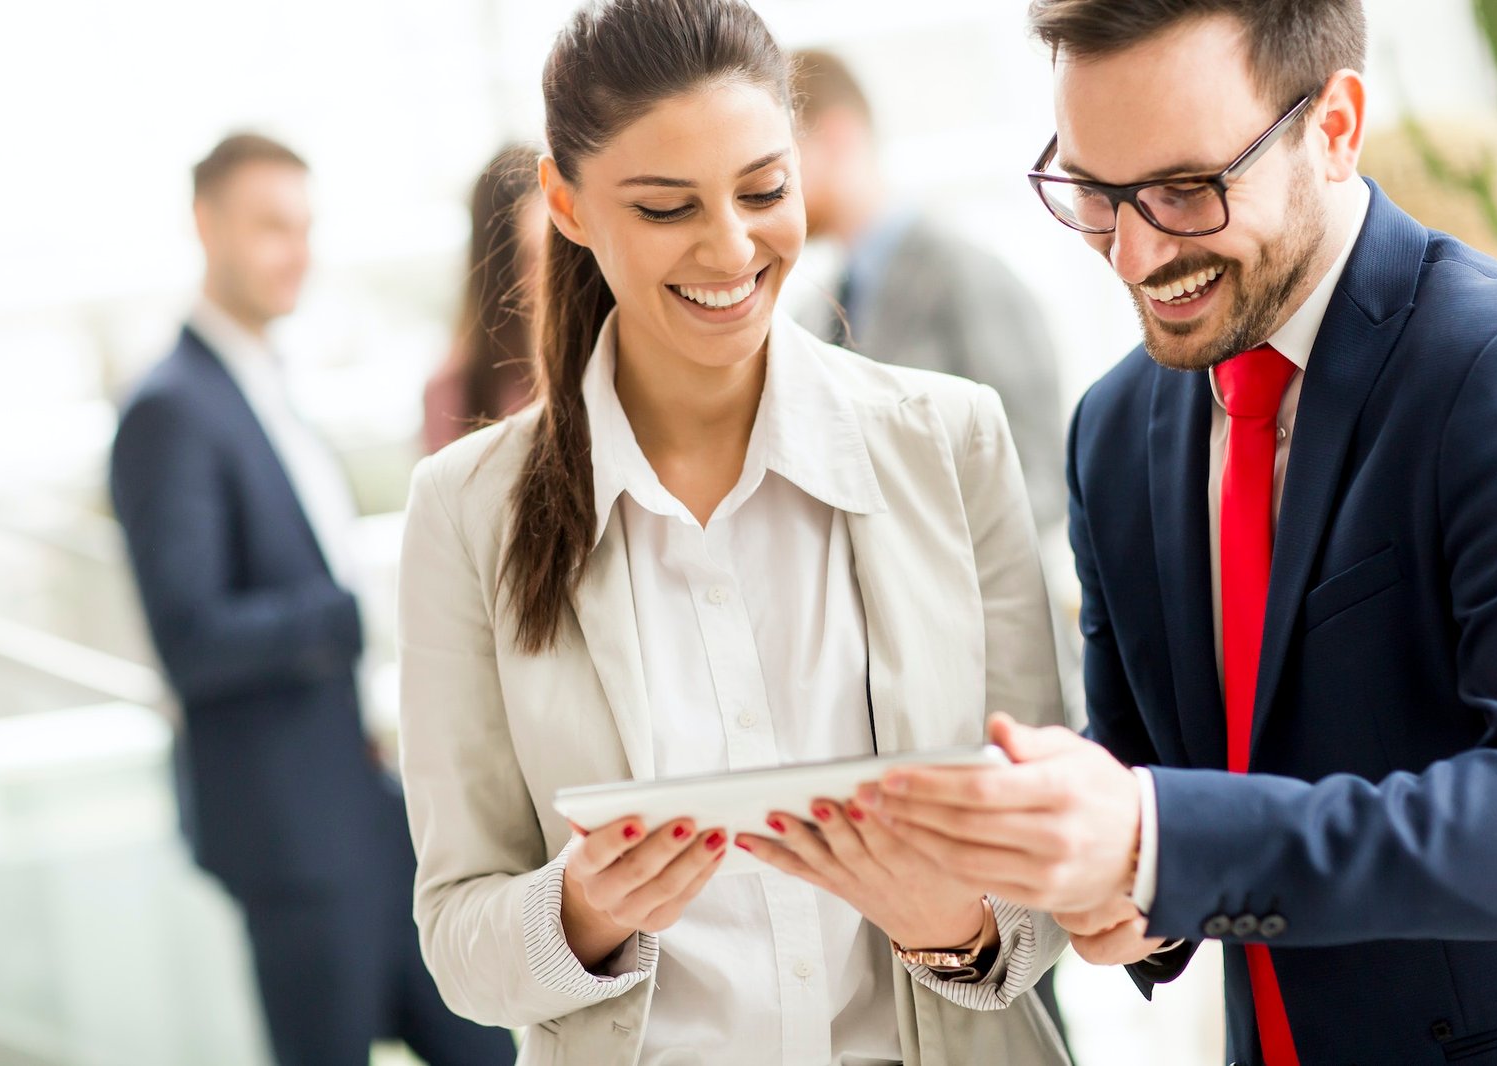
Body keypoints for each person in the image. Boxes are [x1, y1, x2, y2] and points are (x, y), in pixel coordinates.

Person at [851, 1, 1497, 1063]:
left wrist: (1159, 840)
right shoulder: (1113, 430)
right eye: (1094, 193)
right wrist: (1066, 872)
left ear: (1334, 127)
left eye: (1186, 190)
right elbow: (1154, 782)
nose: (1134, 253)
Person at [395, 1, 1071, 1063]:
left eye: (764, 190)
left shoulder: (950, 443)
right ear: (566, 205)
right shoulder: (466, 511)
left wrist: (956, 929)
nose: (730, 247)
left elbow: (1050, 848)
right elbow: (456, 934)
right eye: (666, 208)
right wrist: (577, 911)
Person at [108, 134, 514, 1066]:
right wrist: (358, 611)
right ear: (205, 226)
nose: (296, 251)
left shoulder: (267, 387)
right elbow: (192, 638)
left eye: (305, 227)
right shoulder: (171, 409)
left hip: (368, 813)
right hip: (293, 834)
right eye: (269, 227)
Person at [790, 50, 1067, 531]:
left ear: (835, 139)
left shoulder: (967, 275)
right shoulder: (811, 310)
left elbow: (1039, 473)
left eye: (780, 159)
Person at [423, 144, 545, 453]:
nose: (552, 279)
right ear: (500, 270)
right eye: (531, 257)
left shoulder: (616, 361)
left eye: (562, 253)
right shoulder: (454, 392)